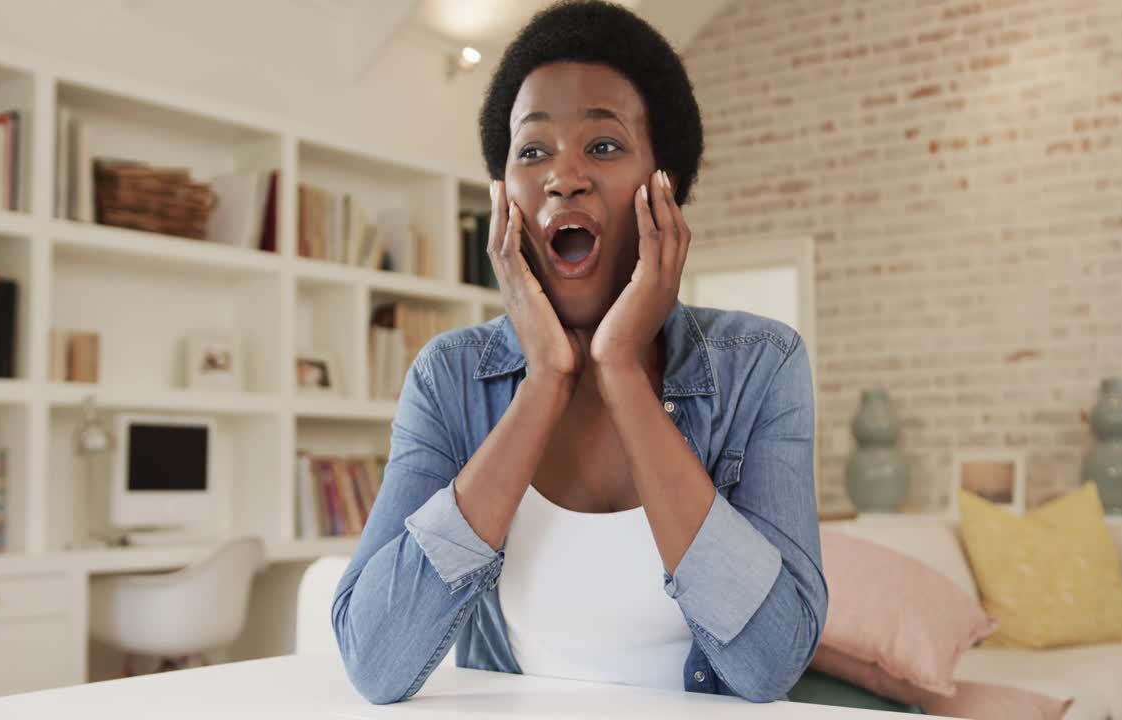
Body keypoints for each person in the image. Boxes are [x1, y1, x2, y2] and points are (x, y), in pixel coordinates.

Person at [332, 0, 826, 704]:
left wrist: (622, 372)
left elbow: (770, 664)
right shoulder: (448, 378)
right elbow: (375, 663)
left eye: (603, 146)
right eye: (532, 152)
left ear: (669, 185)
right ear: (505, 196)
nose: (564, 177)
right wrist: (541, 387)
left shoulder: (760, 365)